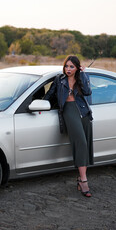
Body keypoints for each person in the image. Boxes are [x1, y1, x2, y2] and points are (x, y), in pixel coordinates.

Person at [44, 55, 93, 197]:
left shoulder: (81, 78)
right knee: (81, 143)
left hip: (83, 111)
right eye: (66, 66)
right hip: (68, 110)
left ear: (77, 67)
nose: (68, 69)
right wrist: (40, 106)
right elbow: (50, 95)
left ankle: (80, 179)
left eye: (72, 66)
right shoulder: (59, 80)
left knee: (86, 144)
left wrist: (83, 75)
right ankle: (84, 181)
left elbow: (88, 92)